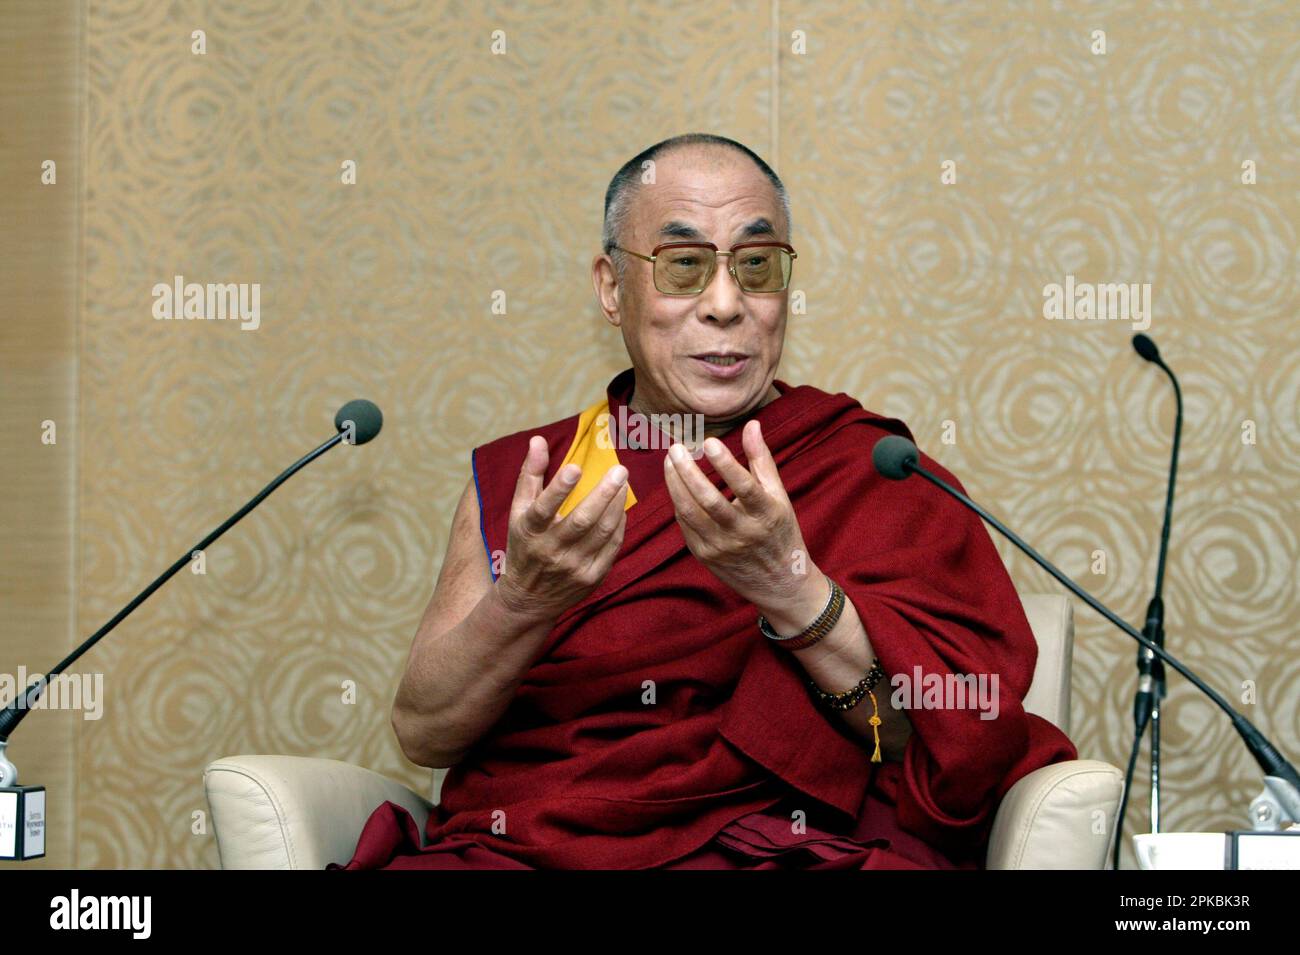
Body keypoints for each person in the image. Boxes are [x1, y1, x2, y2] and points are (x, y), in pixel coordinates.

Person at [329, 133, 1077, 870]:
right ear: (610, 287)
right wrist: (524, 601)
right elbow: (426, 733)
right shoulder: (536, 482)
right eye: (684, 265)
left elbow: (931, 742)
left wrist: (792, 587)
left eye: (756, 265)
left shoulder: (869, 468)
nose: (726, 303)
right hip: (532, 850)